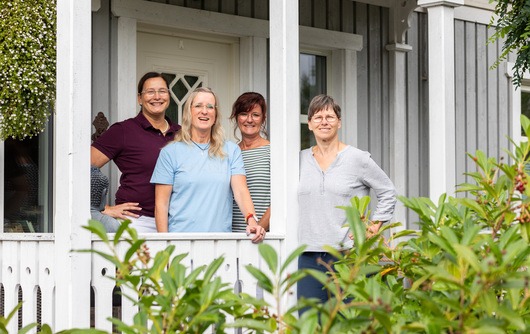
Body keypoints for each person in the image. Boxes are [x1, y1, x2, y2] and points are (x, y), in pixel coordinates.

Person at [297, 94, 397, 313]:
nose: (324, 121)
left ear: (339, 122)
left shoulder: (357, 159)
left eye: (330, 117)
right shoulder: (299, 159)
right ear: (310, 124)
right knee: (309, 322)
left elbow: (388, 191)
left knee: (349, 321)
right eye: (318, 117)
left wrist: (374, 226)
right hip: (307, 255)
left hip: (348, 255)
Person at [150, 87, 266, 243]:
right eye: (198, 106)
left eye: (210, 107)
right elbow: (161, 206)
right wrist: (165, 248)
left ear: (215, 114)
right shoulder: (170, 153)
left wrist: (251, 219)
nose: (204, 111)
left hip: (219, 243)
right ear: (189, 111)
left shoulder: (231, 150)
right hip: (180, 242)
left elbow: (240, 190)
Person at [91, 72, 180, 233]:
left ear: (169, 96)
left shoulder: (182, 133)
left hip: (175, 221)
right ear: (140, 98)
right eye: (150, 92)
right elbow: (82, 166)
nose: (157, 96)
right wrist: (103, 208)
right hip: (137, 223)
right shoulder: (124, 131)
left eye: (162, 91)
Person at [229, 92, 271, 232]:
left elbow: (281, 200)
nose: (249, 120)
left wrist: (257, 229)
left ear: (263, 118)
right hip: (231, 236)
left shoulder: (272, 152)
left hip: (261, 236)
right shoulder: (229, 153)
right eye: (243, 114)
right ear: (236, 117)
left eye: (255, 115)